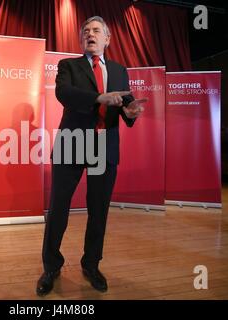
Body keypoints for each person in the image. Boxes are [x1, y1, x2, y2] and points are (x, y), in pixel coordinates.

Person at [36, 16, 147, 296]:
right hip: (72, 144)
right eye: (86, 31)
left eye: (96, 30)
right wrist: (99, 98)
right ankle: (51, 267)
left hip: (105, 148)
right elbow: (65, 93)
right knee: (58, 209)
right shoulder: (68, 66)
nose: (90, 34)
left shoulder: (121, 71)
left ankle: (92, 264)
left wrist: (130, 114)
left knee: (98, 211)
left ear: (107, 39)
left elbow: (127, 105)